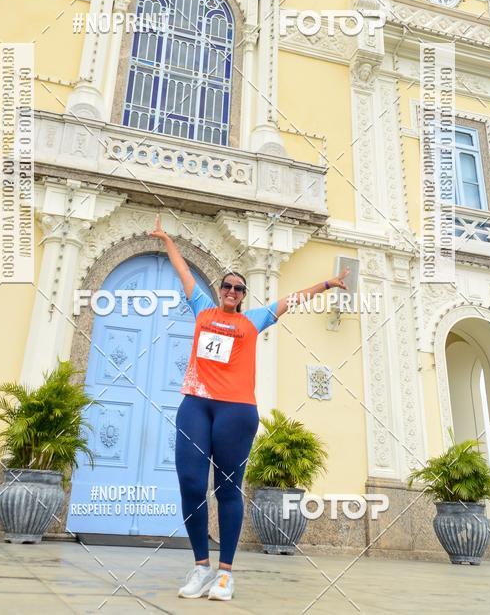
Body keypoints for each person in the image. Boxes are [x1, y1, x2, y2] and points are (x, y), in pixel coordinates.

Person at [149, 214, 349, 601]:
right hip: (196, 405)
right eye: (227, 285)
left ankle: (225, 574)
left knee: (227, 489)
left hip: (236, 412)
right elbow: (182, 270)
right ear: (219, 288)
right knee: (191, 484)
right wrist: (166, 239)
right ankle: (200, 568)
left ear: (243, 296)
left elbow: (293, 300)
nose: (232, 291)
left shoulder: (254, 321)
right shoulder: (202, 309)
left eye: (239, 288)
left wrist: (329, 283)